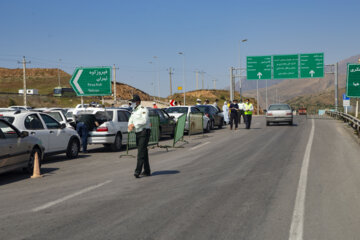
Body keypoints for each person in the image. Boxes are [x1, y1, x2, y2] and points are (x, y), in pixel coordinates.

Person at [128, 94, 151, 178]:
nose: (132, 103)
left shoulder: (143, 109)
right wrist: (129, 125)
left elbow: (144, 120)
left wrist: (134, 124)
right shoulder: (134, 110)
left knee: (140, 152)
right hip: (138, 132)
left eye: (133, 101)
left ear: (138, 102)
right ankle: (147, 171)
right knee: (143, 151)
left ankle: (137, 171)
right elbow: (131, 119)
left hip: (144, 132)